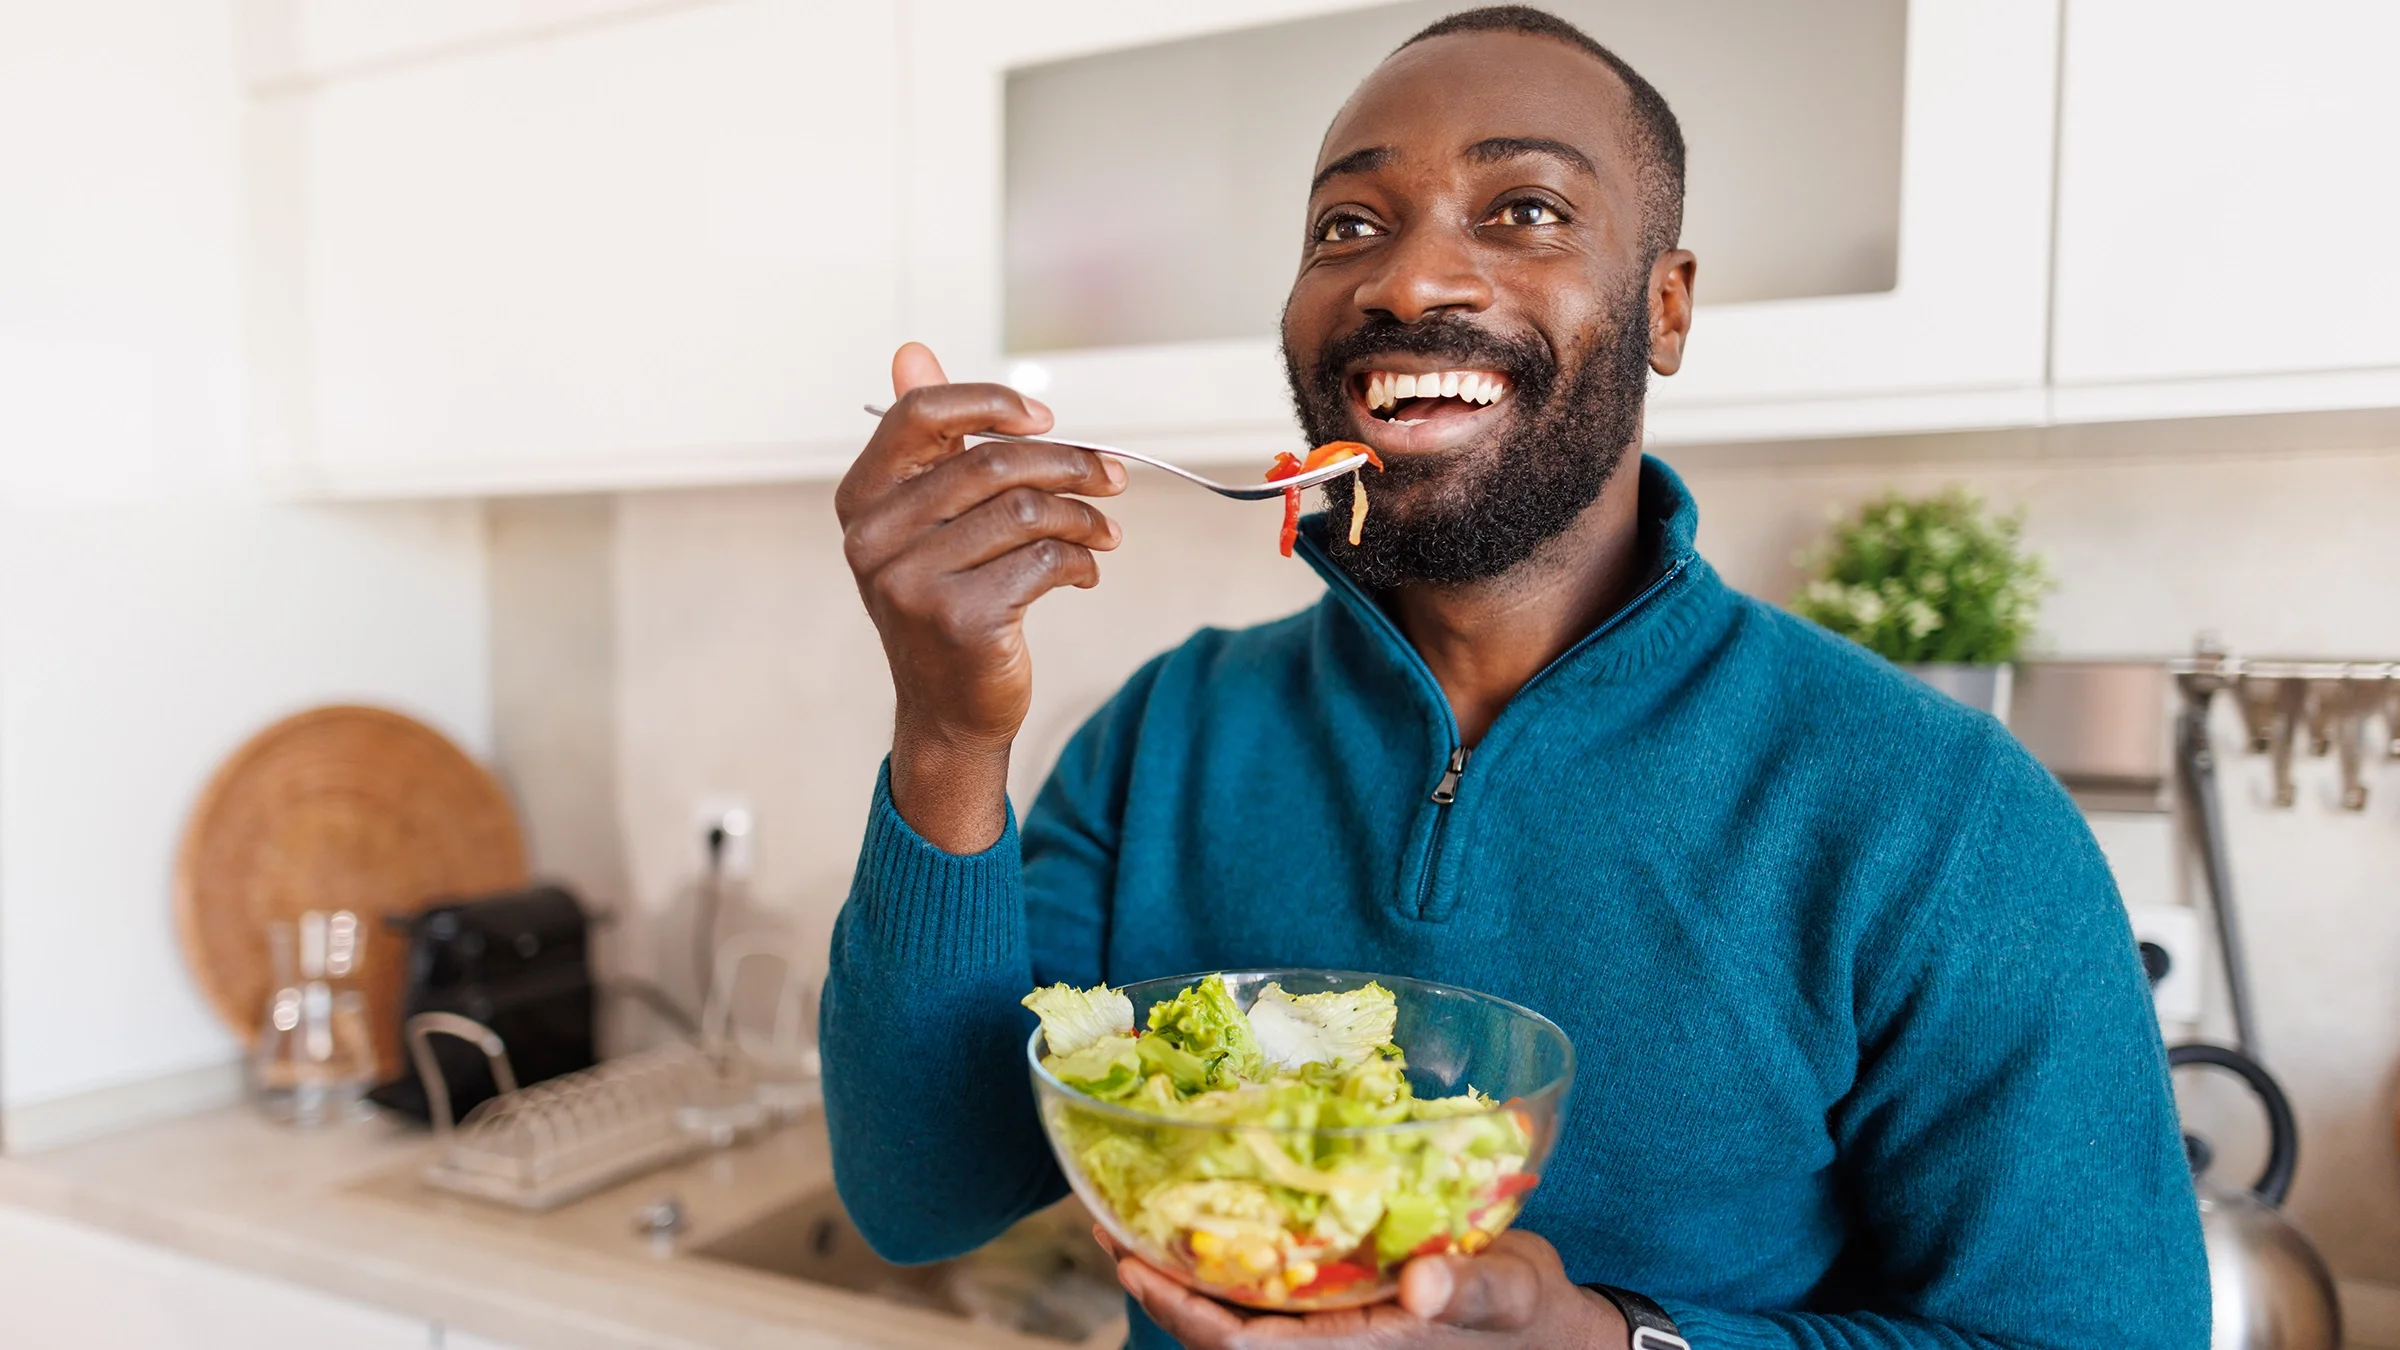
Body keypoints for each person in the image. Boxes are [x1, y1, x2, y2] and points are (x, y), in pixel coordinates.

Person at [821, 7, 2208, 1349]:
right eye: (1346, 227)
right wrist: (946, 728)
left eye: (1525, 209)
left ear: (1664, 306)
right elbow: (923, 1193)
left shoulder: (1941, 817)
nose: (1407, 281)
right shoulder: (1160, 740)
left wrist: (1616, 1343)